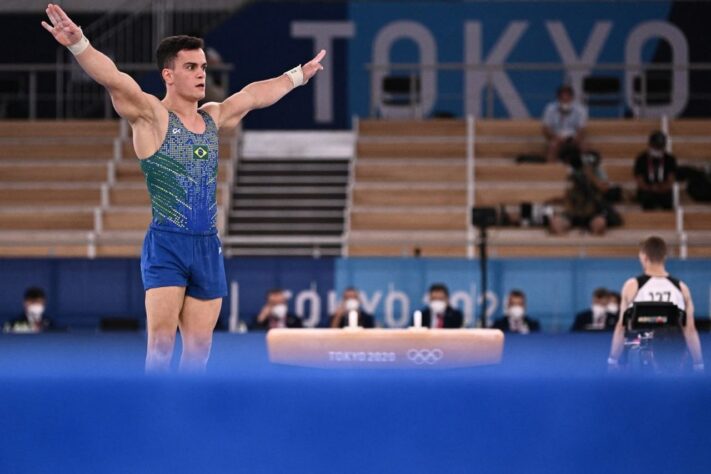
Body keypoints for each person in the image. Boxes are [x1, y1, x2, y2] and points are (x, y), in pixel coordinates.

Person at [41, 4, 325, 372]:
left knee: (198, 350)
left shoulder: (212, 117)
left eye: (203, 67)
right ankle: (151, 417)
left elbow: (254, 95)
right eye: (191, 67)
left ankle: (186, 421)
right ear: (168, 75)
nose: (201, 73)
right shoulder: (152, 116)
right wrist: (79, 43)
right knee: (160, 344)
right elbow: (113, 78)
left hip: (207, 244)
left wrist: (298, 75)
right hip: (167, 244)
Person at [607, 236, 704, 372]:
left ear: (644, 257)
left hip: (643, 347)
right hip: (673, 351)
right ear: (664, 257)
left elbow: (621, 327)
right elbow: (690, 329)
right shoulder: (681, 288)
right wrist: (698, 363)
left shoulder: (632, 286)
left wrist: (613, 360)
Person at [548, 149, 620, 236]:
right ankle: (565, 247)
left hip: (592, 211)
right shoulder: (573, 171)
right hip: (573, 211)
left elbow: (605, 189)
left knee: (600, 223)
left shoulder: (598, 171)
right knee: (555, 223)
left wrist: (590, 175)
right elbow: (568, 191)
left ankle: (594, 246)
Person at [542, 85, 588, 162]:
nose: (565, 100)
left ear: (572, 98)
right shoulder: (550, 108)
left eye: (567, 98)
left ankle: (583, 170)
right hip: (556, 136)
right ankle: (550, 170)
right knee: (553, 146)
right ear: (558, 98)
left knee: (584, 146)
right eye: (562, 98)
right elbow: (546, 128)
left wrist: (576, 138)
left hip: (573, 136)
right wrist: (555, 137)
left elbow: (582, 129)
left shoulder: (580, 109)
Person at [634, 131, 677, 210]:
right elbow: (639, 180)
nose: (657, 149)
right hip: (646, 190)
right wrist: (650, 188)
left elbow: (671, 180)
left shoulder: (670, 159)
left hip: (664, 190)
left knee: (668, 199)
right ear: (650, 144)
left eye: (660, 147)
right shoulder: (641, 159)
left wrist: (660, 188)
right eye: (655, 146)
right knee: (647, 199)